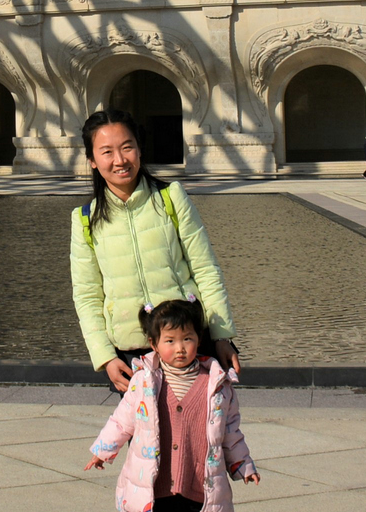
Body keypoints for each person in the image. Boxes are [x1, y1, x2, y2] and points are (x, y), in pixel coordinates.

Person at [85, 298, 258, 512]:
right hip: (155, 481)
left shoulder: (216, 384)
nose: (180, 348)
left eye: (188, 339)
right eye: (170, 341)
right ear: (153, 343)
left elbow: (230, 430)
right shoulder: (144, 381)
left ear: (199, 339)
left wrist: (243, 464)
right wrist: (102, 451)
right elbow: (122, 421)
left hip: (198, 480)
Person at [70, 109, 239, 392]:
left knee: (200, 433)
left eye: (127, 148)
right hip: (131, 353)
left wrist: (221, 335)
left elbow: (205, 268)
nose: (120, 160)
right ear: (92, 161)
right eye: (107, 152)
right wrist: (105, 357)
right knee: (144, 435)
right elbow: (87, 294)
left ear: (139, 149)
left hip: (187, 342)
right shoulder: (85, 218)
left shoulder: (170, 197)